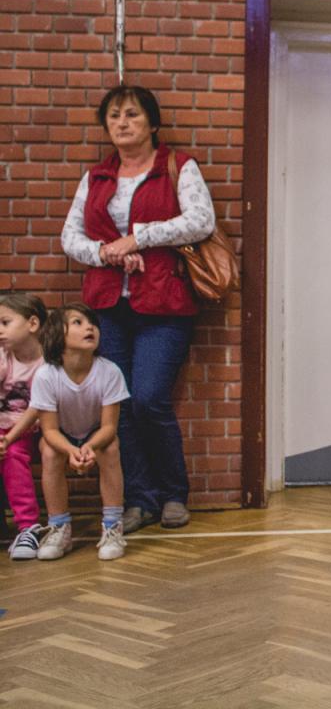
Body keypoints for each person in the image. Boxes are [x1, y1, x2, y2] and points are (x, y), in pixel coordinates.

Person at [61, 85, 216, 534]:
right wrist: (105, 252)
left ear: (152, 122)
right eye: (113, 116)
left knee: (149, 399)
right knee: (118, 407)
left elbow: (201, 220)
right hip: (107, 308)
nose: (122, 123)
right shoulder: (96, 177)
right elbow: (70, 237)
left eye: (131, 114)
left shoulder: (178, 166)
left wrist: (138, 238)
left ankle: (173, 494)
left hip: (164, 305)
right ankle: (139, 500)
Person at [30, 304, 131, 561]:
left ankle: (112, 527)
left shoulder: (110, 371)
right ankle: (59, 527)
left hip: (96, 435)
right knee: (49, 451)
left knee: (111, 448)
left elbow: (109, 427)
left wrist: (89, 447)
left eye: (92, 323)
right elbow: (49, 430)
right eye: (78, 322)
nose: (90, 327)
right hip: (61, 436)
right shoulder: (45, 375)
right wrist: (70, 450)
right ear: (57, 334)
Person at [1, 293, 47, 560]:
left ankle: (28, 527)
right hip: (3, 428)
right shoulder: (3, 356)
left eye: (5, 323)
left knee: (13, 454)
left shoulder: (48, 362)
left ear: (32, 324)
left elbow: (38, 409)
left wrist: (8, 439)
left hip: (31, 428)